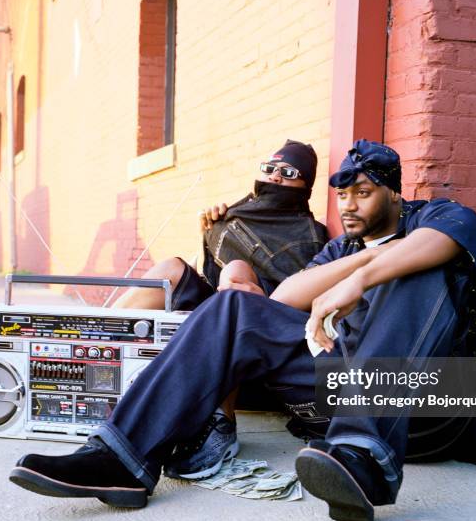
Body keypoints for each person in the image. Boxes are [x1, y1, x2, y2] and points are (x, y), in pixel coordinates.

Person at [9, 140, 476, 521]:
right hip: (340, 390)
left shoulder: (437, 216)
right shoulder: (339, 250)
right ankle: (121, 459)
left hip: (427, 406)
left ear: (395, 194)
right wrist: (348, 272)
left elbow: (443, 243)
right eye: (342, 195)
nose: (349, 206)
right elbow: (284, 299)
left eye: (364, 193)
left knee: (419, 266)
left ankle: (365, 455)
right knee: (232, 308)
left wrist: (367, 274)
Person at [113, 139, 328, 479]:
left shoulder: (314, 236)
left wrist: (238, 277)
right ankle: (97, 352)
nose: (275, 178)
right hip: (216, 321)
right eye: (269, 169)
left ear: (306, 185)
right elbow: (208, 278)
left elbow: (294, 306)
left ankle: (221, 423)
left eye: (289, 173)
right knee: (170, 268)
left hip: (263, 348)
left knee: (235, 276)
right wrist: (210, 234)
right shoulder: (236, 215)